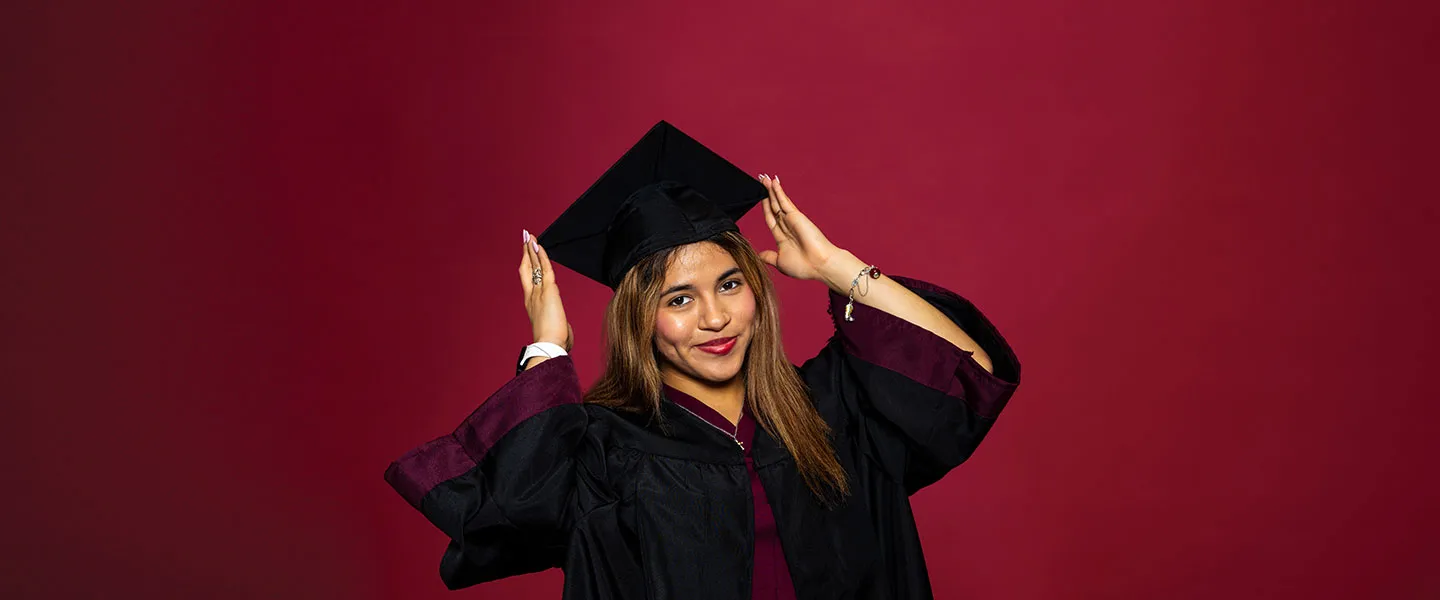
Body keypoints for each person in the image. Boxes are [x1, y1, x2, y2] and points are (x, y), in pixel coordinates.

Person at [383, 121, 1022, 599]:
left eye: (730, 285)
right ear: (640, 318)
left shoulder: (830, 408)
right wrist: (547, 348)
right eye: (679, 299)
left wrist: (836, 268)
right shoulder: (605, 448)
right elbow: (501, 512)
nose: (714, 318)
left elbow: (967, 371)